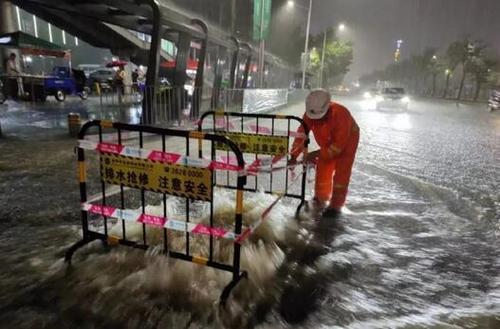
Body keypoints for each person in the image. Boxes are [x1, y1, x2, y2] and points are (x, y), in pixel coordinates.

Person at [290, 89, 360, 218]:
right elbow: (301, 135)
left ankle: (336, 206)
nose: (316, 120)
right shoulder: (311, 113)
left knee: (341, 174)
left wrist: (315, 154)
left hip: (348, 141)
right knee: (323, 168)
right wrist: (293, 155)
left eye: (320, 117)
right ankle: (321, 199)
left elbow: (337, 147)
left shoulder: (341, 114)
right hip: (327, 141)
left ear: (327, 108)